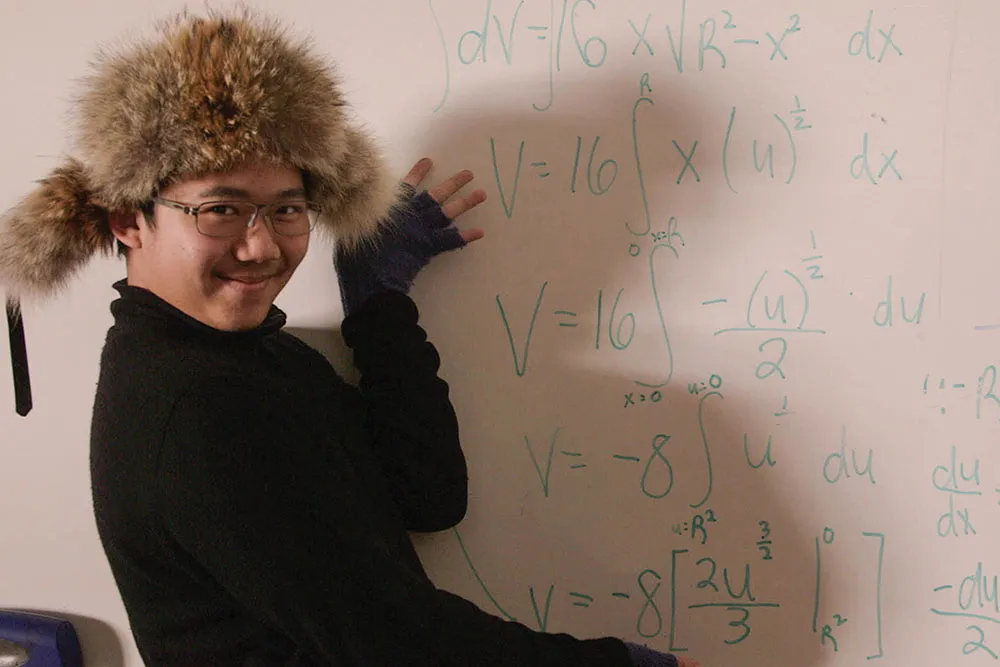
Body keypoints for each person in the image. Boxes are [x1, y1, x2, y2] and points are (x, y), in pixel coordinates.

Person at [0, 8, 701, 667]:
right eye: (220, 209)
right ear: (129, 220)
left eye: (287, 209)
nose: (261, 247)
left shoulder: (258, 357)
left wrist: (379, 306)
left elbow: (428, 495)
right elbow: (397, 644)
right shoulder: (193, 405)